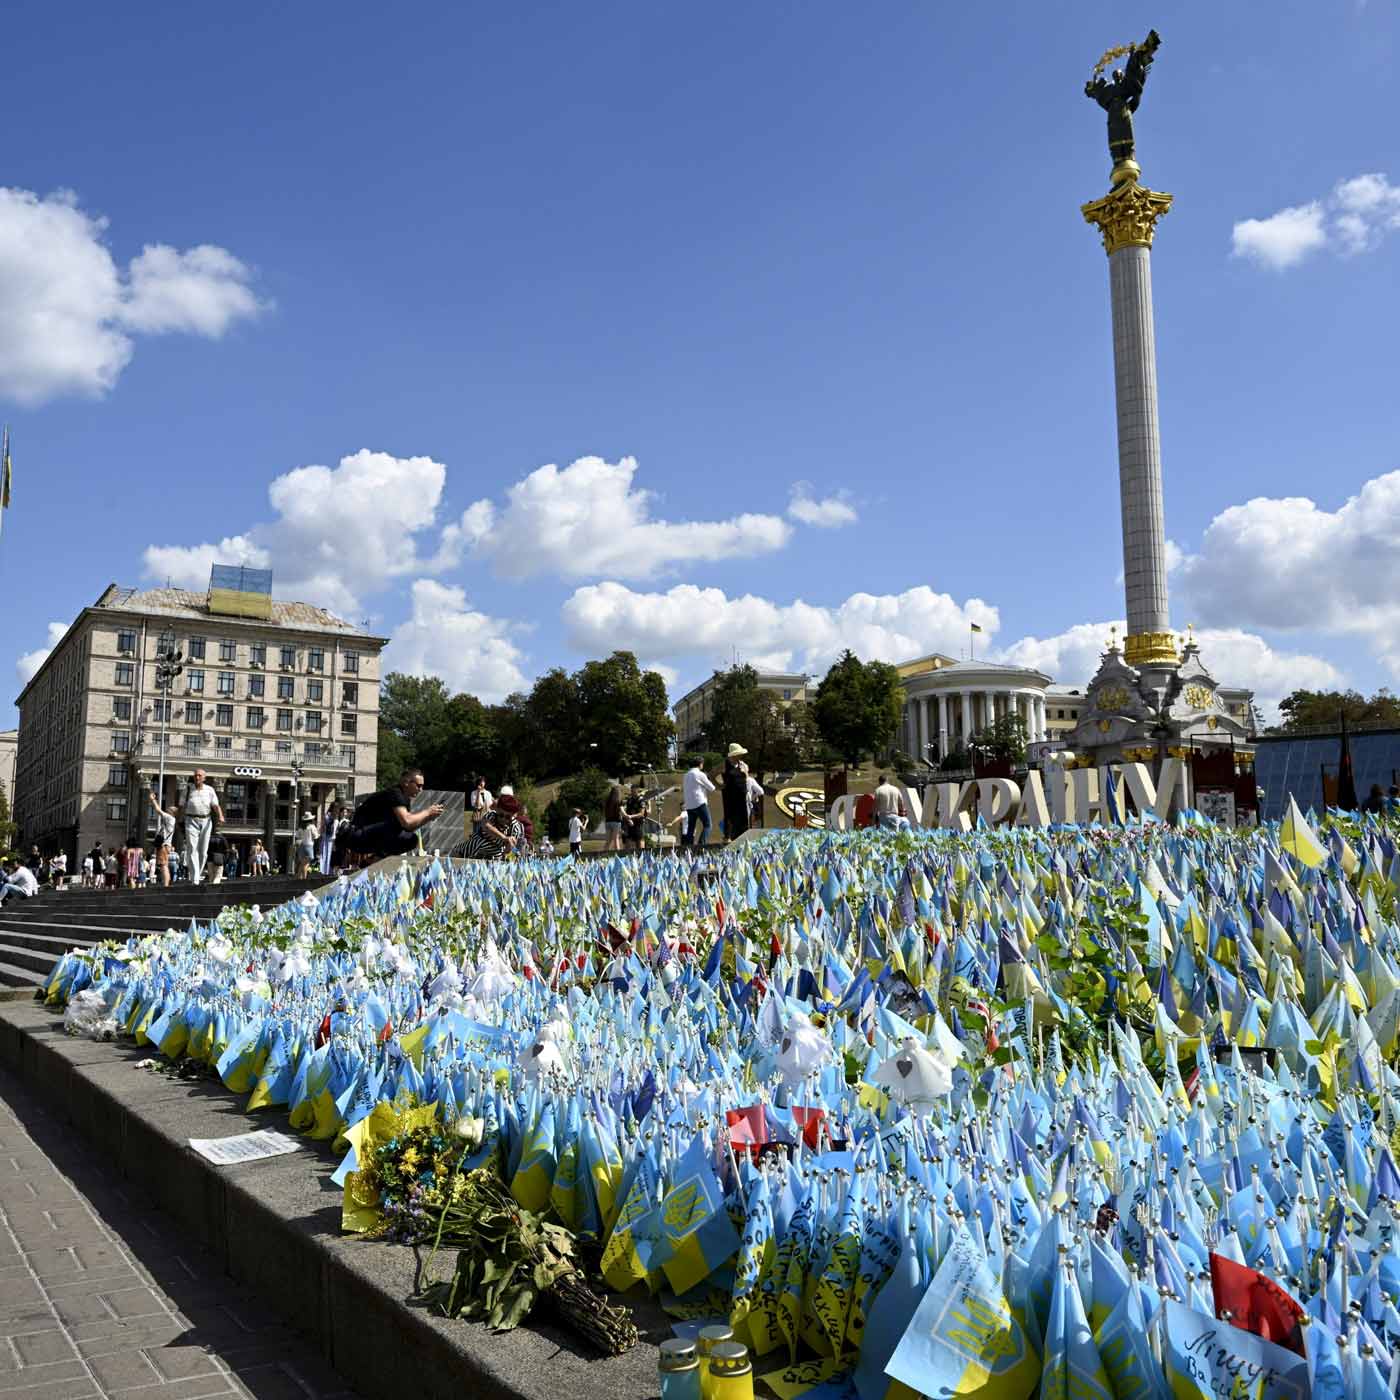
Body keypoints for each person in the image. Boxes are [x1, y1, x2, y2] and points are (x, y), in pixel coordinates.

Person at [342, 769, 444, 859]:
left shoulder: (405, 799)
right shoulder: (395, 793)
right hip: (357, 835)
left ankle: (377, 859)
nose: (420, 790)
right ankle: (377, 858)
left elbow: (408, 828)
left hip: (370, 836)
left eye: (422, 786)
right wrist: (427, 812)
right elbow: (407, 822)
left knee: (411, 839)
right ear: (406, 782)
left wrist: (428, 817)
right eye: (418, 786)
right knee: (395, 827)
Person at [181, 770, 224, 884]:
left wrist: (220, 816)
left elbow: (215, 805)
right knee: (192, 848)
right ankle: (195, 879)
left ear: (204, 778)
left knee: (203, 852)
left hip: (206, 820)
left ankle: (197, 874)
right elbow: (181, 805)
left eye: (200, 775)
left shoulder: (210, 790)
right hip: (190, 820)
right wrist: (178, 817)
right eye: (195, 775)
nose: (197, 777)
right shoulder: (188, 789)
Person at [682, 758, 715, 851]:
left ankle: (688, 848)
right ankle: (701, 845)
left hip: (689, 804)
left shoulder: (686, 775)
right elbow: (712, 788)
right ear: (700, 764)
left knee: (691, 828)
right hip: (699, 802)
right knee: (708, 825)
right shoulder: (700, 774)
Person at [147, 789, 177, 888]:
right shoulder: (171, 820)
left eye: (169, 809)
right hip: (166, 845)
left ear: (172, 812)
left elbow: (158, 810)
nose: (167, 810)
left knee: (164, 865)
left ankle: (166, 885)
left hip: (163, 845)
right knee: (164, 865)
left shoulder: (169, 818)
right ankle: (165, 883)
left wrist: (153, 800)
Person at [721, 744, 750, 841]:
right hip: (729, 794)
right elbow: (711, 774)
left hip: (741, 793)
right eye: (738, 754)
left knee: (742, 816)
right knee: (729, 815)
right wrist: (719, 785)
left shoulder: (743, 765)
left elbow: (747, 778)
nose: (740, 756)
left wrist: (744, 771)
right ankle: (727, 837)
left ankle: (742, 836)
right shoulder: (724, 764)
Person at [623, 785, 646, 850]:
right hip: (630, 824)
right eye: (631, 791)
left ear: (637, 791)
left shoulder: (641, 800)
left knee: (639, 843)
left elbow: (641, 813)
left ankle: (641, 856)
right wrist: (628, 819)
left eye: (634, 791)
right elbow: (626, 812)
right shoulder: (629, 800)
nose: (632, 792)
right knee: (628, 844)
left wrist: (631, 816)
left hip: (638, 824)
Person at [295, 813, 318, 877]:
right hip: (309, 846)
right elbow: (315, 836)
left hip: (301, 846)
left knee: (302, 864)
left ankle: (299, 878)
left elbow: (297, 836)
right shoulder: (312, 827)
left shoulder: (301, 827)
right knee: (306, 864)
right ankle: (304, 879)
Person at [603, 784, 624, 852]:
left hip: (608, 822)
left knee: (608, 841)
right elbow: (621, 812)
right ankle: (618, 856)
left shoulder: (607, 801)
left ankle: (604, 855)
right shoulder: (619, 801)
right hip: (616, 822)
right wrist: (628, 818)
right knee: (616, 839)